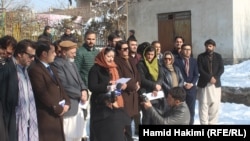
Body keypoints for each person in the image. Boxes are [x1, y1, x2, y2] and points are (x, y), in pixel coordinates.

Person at [28, 40, 70, 141]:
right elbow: (42, 93)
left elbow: (60, 86)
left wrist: (67, 101)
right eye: (53, 52)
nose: (55, 54)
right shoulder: (35, 70)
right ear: (44, 54)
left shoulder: (51, 68)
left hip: (58, 114)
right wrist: (56, 108)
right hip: (47, 115)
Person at [88, 47, 130, 141]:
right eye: (108, 56)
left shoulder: (113, 68)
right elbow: (92, 86)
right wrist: (107, 85)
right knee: (100, 131)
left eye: (112, 57)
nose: (111, 59)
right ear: (103, 56)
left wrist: (120, 86)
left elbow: (115, 85)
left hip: (112, 101)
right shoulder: (95, 69)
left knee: (111, 129)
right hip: (100, 103)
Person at [0, 39, 38, 141]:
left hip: (27, 122)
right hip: (13, 125)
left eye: (34, 56)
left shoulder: (25, 70)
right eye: (30, 56)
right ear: (20, 54)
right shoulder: (6, 70)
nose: (33, 59)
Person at [52, 40, 89, 141]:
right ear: (64, 52)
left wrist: (84, 90)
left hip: (79, 106)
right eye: (72, 53)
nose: (75, 55)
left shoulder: (72, 63)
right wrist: (79, 94)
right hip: (69, 105)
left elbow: (79, 79)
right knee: (68, 136)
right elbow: (63, 85)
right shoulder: (57, 64)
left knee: (78, 136)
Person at [114, 40, 140, 140]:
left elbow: (137, 74)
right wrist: (133, 86)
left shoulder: (130, 59)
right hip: (125, 95)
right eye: (124, 49)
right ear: (118, 50)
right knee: (126, 123)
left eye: (127, 49)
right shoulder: (117, 61)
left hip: (133, 95)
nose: (127, 51)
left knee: (131, 119)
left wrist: (138, 83)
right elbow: (120, 79)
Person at [197, 39, 224, 125]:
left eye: (210, 46)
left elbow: (221, 69)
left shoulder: (218, 56)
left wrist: (215, 77)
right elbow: (200, 69)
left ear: (214, 47)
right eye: (207, 46)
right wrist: (209, 78)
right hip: (204, 84)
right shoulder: (200, 56)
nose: (208, 48)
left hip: (215, 84)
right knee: (203, 106)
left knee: (215, 106)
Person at [137, 46, 164, 125]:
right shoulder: (141, 64)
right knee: (147, 116)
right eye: (148, 54)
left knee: (156, 115)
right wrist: (154, 85)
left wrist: (157, 86)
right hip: (146, 92)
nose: (150, 56)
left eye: (152, 54)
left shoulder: (157, 63)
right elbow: (142, 79)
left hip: (157, 93)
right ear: (145, 54)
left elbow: (161, 76)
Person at [174, 44, 199, 125]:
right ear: (181, 50)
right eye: (185, 49)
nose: (187, 51)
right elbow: (176, 74)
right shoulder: (176, 60)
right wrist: (184, 83)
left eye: (189, 49)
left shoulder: (194, 61)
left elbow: (196, 75)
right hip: (181, 88)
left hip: (192, 89)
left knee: (191, 110)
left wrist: (191, 84)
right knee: (180, 109)